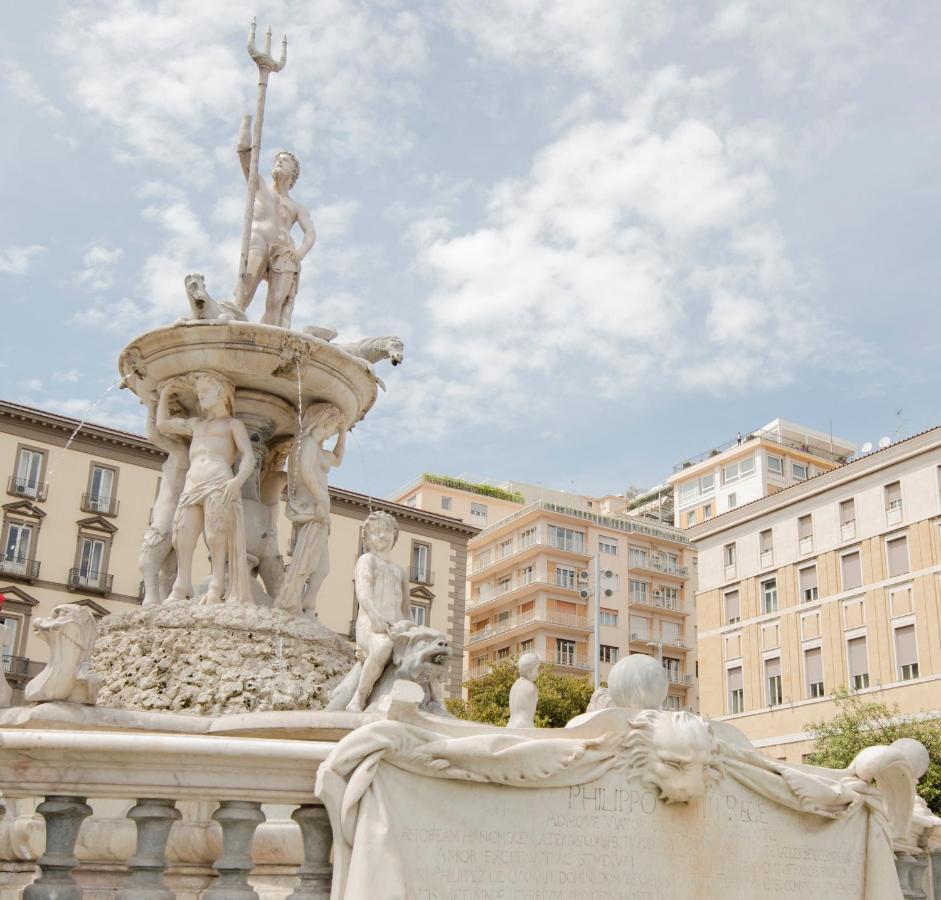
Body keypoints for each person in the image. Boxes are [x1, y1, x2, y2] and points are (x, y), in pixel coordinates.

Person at [157, 372, 255, 605]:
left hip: (218, 481)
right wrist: (165, 394)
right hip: (193, 483)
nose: (200, 398)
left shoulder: (233, 424)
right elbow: (162, 424)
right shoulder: (196, 424)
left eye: (205, 392)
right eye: (199, 393)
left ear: (221, 393)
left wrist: (237, 481)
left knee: (215, 535)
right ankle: (181, 587)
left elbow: (249, 457)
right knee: (183, 535)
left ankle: (216, 587)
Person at [233, 115, 316, 328]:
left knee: (276, 305)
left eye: (284, 160)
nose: (278, 161)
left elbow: (310, 233)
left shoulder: (297, 207)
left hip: (285, 252)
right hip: (258, 240)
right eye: (277, 159)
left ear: (293, 172)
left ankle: (269, 340)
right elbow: (244, 152)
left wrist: (299, 254)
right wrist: (246, 122)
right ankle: (232, 322)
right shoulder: (259, 185)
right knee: (245, 288)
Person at [275, 403, 346, 616]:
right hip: (311, 509)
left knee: (322, 566)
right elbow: (306, 472)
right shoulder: (306, 444)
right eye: (333, 426)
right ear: (322, 422)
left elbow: (337, 459)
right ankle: (290, 602)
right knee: (305, 560)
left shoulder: (317, 448)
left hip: (319, 511)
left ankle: (307, 604)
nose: (333, 431)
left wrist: (344, 432)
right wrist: (321, 499)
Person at [347, 511, 412, 712]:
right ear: (366, 538)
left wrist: (413, 632)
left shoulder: (400, 571)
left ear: (394, 535)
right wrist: (376, 618)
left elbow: (406, 608)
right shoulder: (367, 560)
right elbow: (363, 593)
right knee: (383, 646)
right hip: (371, 626)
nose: (382, 535)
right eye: (375, 532)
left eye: (386, 531)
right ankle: (359, 697)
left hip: (396, 627)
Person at [138, 391, 189, 606]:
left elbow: (154, 435)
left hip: (171, 508)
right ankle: (161, 598)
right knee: (168, 562)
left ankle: (151, 599)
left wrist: (153, 404)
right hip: (177, 508)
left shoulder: (182, 450)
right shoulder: (184, 449)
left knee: (150, 558)